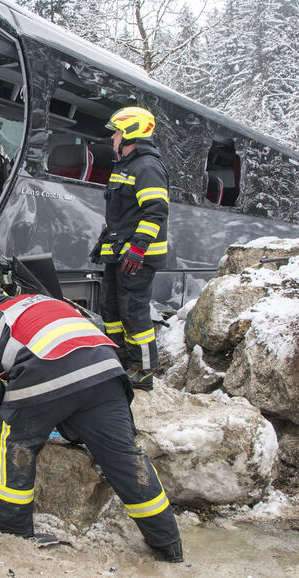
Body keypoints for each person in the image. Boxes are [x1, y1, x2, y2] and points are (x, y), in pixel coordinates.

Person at [0, 284, 183, 563]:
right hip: (106, 369)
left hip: (48, 367)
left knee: (15, 442)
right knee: (126, 457)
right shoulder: (46, 301)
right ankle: (167, 541)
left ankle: (12, 521)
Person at [90, 106, 170, 391]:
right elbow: (121, 215)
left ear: (131, 134)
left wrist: (138, 249)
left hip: (138, 257)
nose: (113, 138)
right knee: (110, 307)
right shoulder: (124, 166)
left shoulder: (147, 167)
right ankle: (120, 358)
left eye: (117, 133)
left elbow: (155, 212)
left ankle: (145, 370)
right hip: (120, 253)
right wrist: (104, 242)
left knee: (134, 311)